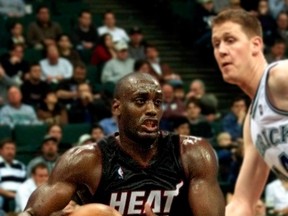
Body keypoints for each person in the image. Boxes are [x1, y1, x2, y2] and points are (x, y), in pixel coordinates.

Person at [21, 72, 224, 216]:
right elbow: (32, 213)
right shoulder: (85, 160)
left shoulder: (193, 154)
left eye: (158, 102)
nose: (152, 109)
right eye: (140, 101)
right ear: (117, 107)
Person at [211, 8, 288, 216]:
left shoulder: (281, 76)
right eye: (216, 44)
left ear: (256, 45)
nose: (222, 50)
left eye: (230, 40)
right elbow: (241, 204)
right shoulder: (252, 123)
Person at [0, 139, 26, 212]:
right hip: (2, 195)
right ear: (1, 150)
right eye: (7, 148)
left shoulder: (21, 166)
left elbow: (26, 184)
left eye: (12, 149)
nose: (10, 151)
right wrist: (12, 195)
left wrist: (19, 195)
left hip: (20, 195)